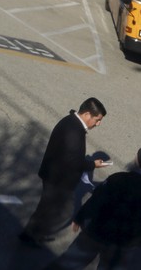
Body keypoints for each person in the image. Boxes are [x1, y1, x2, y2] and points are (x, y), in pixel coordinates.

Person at [44, 145, 141, 269]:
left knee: (68, 263)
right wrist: (136, 242)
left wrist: (80, 217)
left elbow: (96, 200)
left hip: (96, 233)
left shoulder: (118, 178)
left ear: (138, 161)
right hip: (122, 246)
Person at [20, 98, 109, 246]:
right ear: (87, 114)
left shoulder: (70, 120)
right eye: (97, 119)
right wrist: (93, 164)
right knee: (48, 211)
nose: (98, 124)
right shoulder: (75, 132)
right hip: (57, 179)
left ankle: (30, 234)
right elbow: (74, 161)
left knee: (44, 208)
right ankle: (31, 237)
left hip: (52, 174)